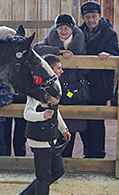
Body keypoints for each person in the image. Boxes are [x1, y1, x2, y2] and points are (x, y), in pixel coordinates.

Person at [16, 54, 70, 195]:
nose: (61, 71)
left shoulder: (54, 88)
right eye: (58, 68)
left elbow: (56, 111)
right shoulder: (36, 91)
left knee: (57, 171)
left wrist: (64, 128)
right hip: (38, 138)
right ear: (50, 70)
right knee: (44, 175)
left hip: (50, 136)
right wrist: (42, 115)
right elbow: (27, 114)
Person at [33, 14, 88, 157]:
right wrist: (59, 51)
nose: (63, 31)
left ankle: (68, 155)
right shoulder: (51, 38)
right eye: (60, 28)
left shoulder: (79, 40)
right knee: (55, 118)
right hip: (56, 86)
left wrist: (74, 58)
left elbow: (86, 65)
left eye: (66, 28)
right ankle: (57, 155)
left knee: (73, 122)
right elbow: (37, 48)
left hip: (73, 89)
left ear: (72, 29)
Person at [78, 1, 119, 158]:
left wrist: (108, 54)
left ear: (100, 16)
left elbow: (114, 52)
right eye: (87, 17)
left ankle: (98, 152)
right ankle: (87, 150)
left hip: (99, 83)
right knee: (83, 118)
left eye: (94, 17)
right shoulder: (79, 32)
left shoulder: (109, 33)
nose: (91, 20)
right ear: (83, 17)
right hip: (82, 82)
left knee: (97, 119)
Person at [0, 25, 27, 156]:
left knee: (20, 130)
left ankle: (19, 156)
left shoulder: (20, 54)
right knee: (4, 130)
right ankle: (6, 157)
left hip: (19, 95)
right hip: (4, 97)